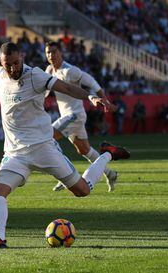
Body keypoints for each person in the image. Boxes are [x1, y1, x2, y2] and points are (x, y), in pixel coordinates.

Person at [0, 42, 130, 248]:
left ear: (22, 56)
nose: (12, 69)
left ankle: (107, 154)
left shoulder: (35, 76)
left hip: (44, 149)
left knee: (82, 191)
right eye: (7, 64)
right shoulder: (3, 74)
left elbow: (65, 87)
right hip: (15, 153)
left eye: (16, 63)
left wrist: (92, 97)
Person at [44, 42, 119, 192]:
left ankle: (66, 176)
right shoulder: (50, 70)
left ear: (61, 52)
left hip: (74, 115)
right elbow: (44, 91)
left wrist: (105, 100)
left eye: (54, 51)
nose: (51, 55)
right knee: (84, 150)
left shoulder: (70, 71)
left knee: (46, 138)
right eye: (48, 53)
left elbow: (92, 83)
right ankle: (110, 173)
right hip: (70, 117)